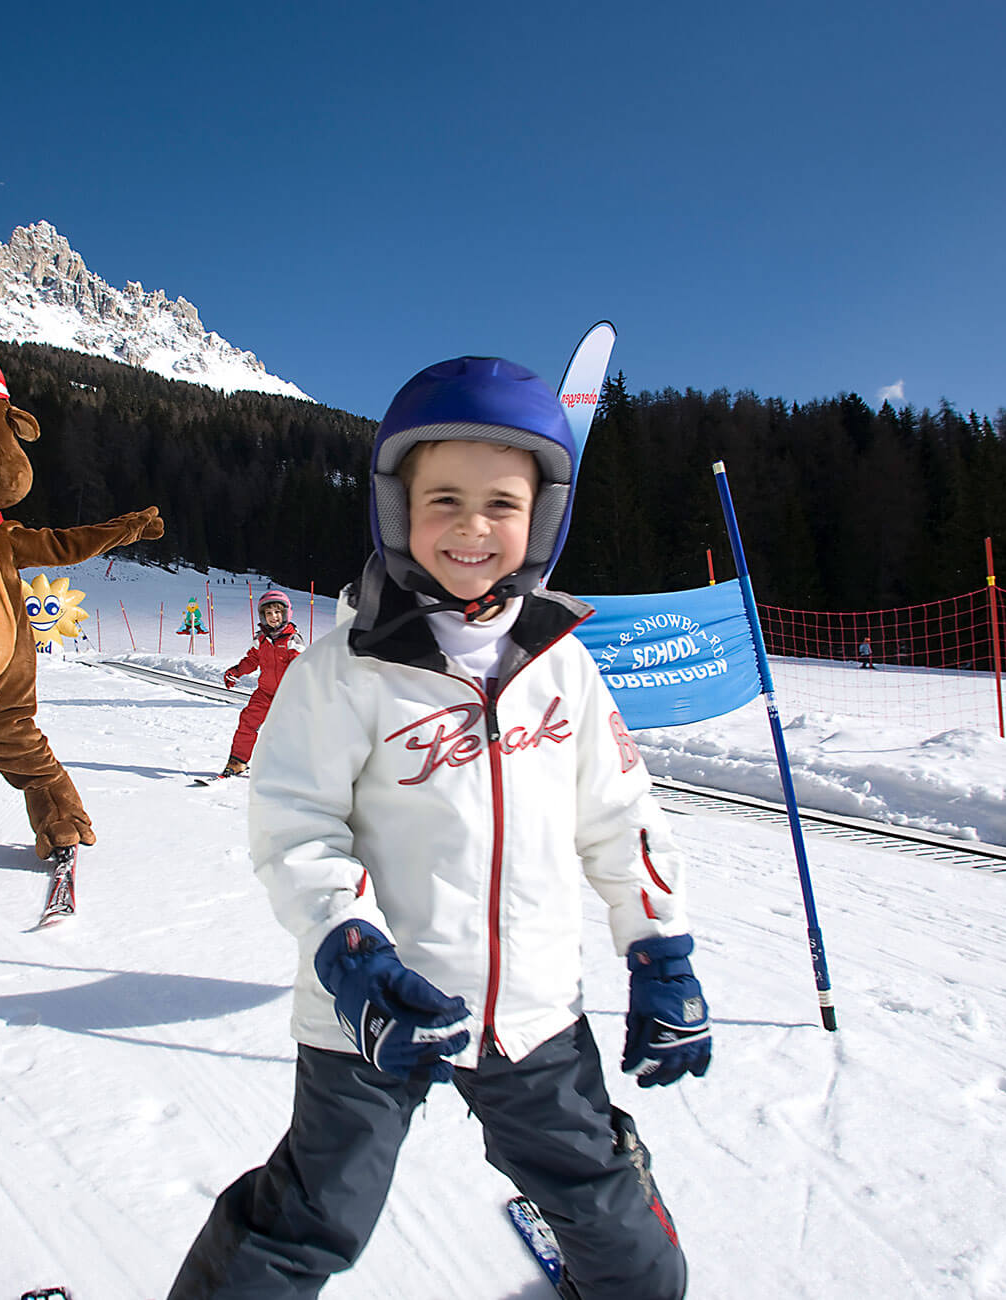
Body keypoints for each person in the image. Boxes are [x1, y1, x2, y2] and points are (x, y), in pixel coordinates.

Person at [169, 358, 709, 1300]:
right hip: (373, 1010)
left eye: (500, 503)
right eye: (443, 499)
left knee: (613, 1222)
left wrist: (660, 950)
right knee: (312, 1216)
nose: (471, 526)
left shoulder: (564, 666)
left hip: (533, 1013)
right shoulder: (345, 669)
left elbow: (621, 817)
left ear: (540, 519)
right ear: (396, 509)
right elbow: (296, 821)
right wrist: (347, 946)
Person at [215, 589, 304, 779]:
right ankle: (237, 762)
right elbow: (251, 660)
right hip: (264, 693)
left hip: (288, 695)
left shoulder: (292, 639)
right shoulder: (261, 639)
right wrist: (237, 671)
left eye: (278, 612)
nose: (273, 617)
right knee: (247, 723)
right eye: (268, 613)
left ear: (286, 613)